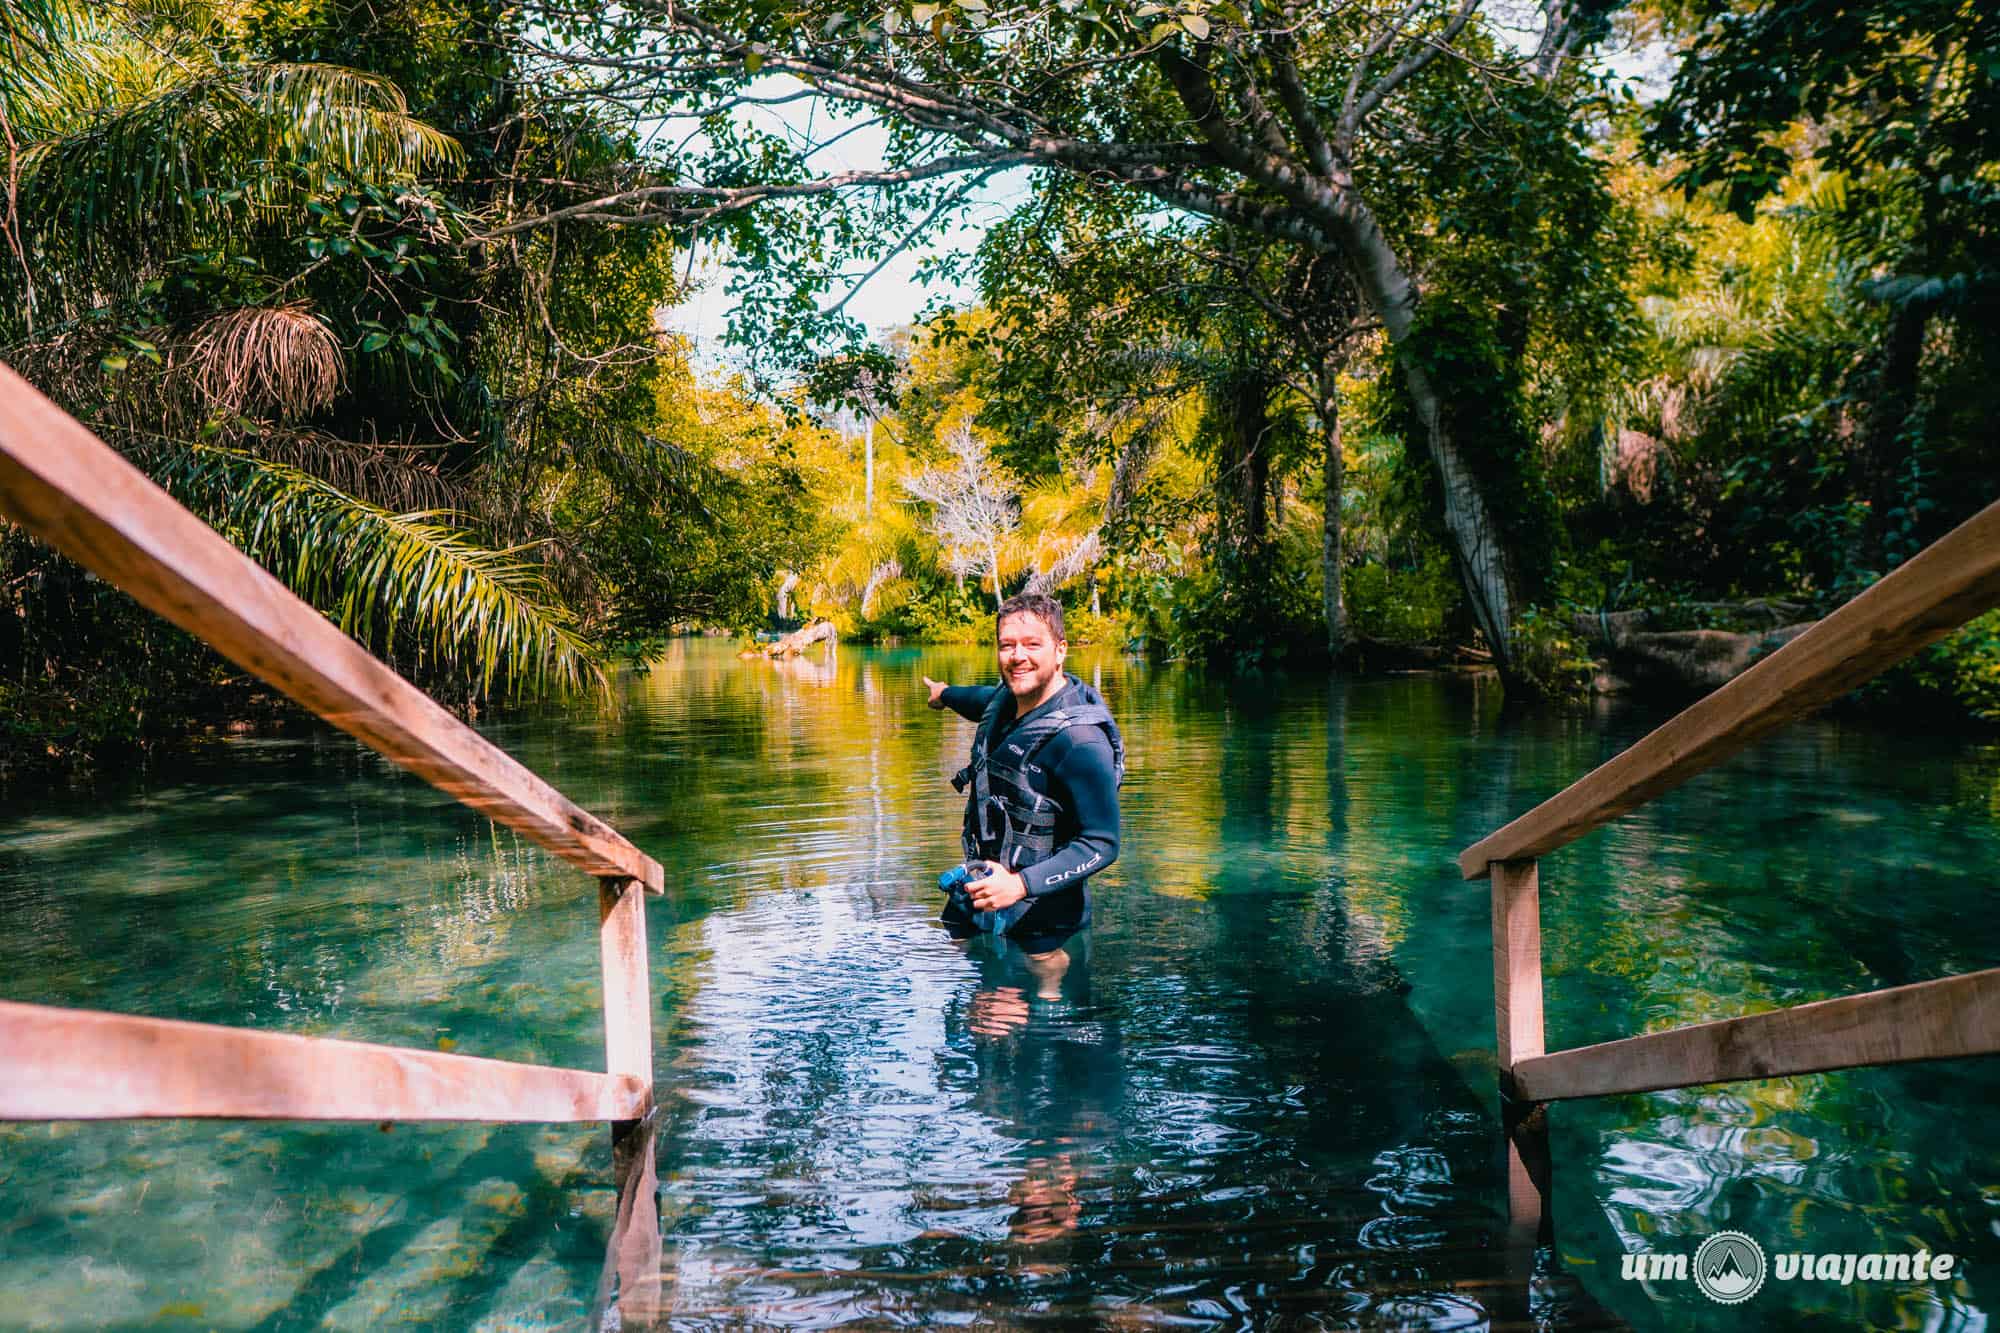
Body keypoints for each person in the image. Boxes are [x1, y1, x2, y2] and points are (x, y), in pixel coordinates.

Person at [922, 591, 1123, 955]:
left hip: (1045, 909)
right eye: (1006, 645)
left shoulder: (1081, 742)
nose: (1018, 657)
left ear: (1060, 650)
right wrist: (944, 693)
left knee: (1040, 992)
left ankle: (1054, 980)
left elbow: (1103, 843)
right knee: (948, 963)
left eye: (1032, 644)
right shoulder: (1005, 702)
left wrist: (1021, 885)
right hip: (984, 882)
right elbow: (978, 699)